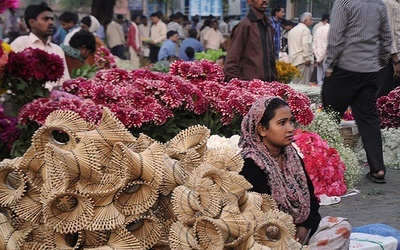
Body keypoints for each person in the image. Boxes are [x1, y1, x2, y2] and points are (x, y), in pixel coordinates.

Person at [239, 96, 352, 248]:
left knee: (341, 227)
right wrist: (289, 234)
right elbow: (259, 218)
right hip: (270, 238)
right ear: (262, 129)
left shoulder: (292, 157)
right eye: (282, 123)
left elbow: (311, 199)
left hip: (300, 231)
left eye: (290, 121)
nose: (290, 128)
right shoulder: (251, 164)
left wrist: (304, 227)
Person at [323, 0, 391, 183]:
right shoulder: (379, 4)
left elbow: (336, 36)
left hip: (345, 68)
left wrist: (329, 64)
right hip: (369, 70)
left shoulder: (344, 2)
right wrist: (380, 63)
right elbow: (386, 39)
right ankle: (378, 169)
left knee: (329, 116)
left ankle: (323, 165)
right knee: (369, 119)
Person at [11, 3, 70, 90]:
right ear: (32, 22)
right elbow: (13, 80)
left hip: (56, 100)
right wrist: (51, 89)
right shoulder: (21, 43)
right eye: (45, 19)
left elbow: (65, 81)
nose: (51, 22)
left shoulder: (57, 49)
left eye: (51, 19)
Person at [224, 0, 277, 82]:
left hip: (268, 86)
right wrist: (241, 85)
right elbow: (231, 62)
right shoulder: (245, 25)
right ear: (249, 1)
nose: (264, 0)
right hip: (250, 86)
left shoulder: (269, 26)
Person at [378, 0, 400, 97]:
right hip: (390, 60)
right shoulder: (388, 3)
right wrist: (396, 61)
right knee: (386, 96)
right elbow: (388, 34)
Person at [288, 12, 314, 85]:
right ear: (305, 20)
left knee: (295, 84)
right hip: (303, 61)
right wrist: (307, 58)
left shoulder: (292, 30)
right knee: (303, 85)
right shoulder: (305, 30)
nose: (312, 22)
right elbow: (305, 44)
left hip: (293, 61)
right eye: (311, 19)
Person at [312, 18, 330, 85]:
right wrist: (321, 58)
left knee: (319, 80)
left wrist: (318, 58)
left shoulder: (318, 29)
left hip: (318, 58)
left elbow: (314, 45)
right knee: (326, 80)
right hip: (326, 57)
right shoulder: (331, 30)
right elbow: (328, 46)